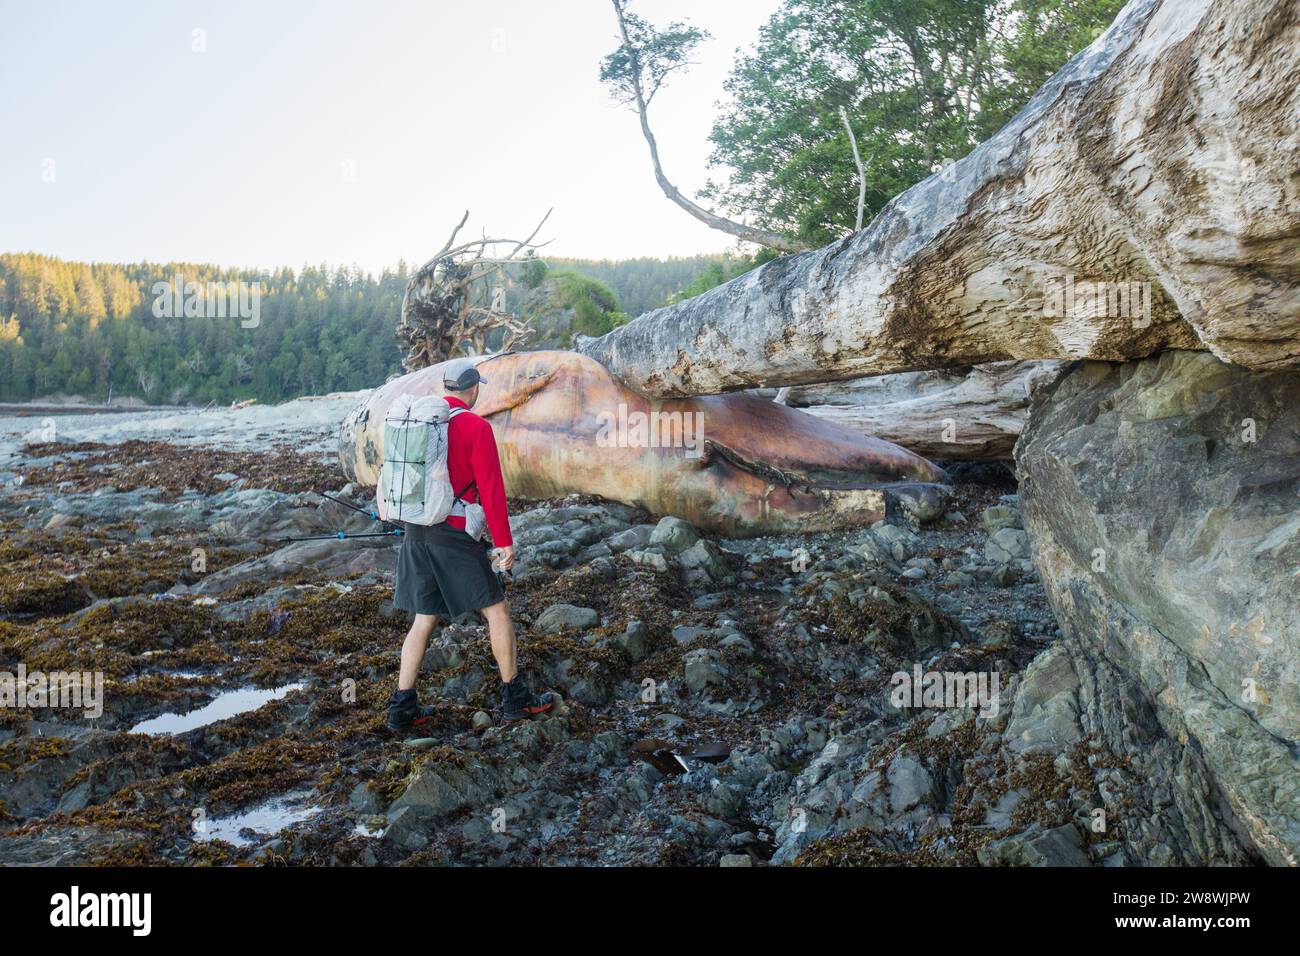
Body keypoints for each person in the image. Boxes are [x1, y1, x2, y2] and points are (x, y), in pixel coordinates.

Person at [386, 359, 553, 732]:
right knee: (497, 610)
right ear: (473, 389)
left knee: (424, 618)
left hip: (416, 530)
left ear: (447, 388)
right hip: (454, 535)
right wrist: (504, 544)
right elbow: (492, 491)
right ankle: (515, 699)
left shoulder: (423, 422)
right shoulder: (475, 427)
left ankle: (402, 708)